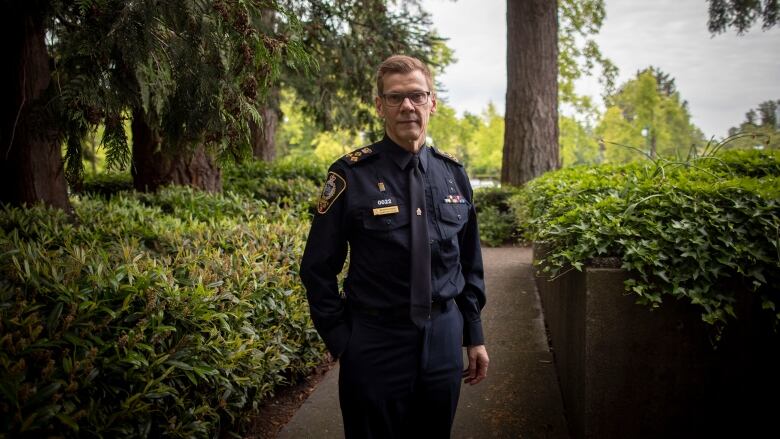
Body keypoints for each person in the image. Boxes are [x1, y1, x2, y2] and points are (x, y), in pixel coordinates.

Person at [300, 54, 489, 438]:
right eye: (395, 97)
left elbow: (469, 262)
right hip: (374, 343)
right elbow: (317, 266)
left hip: (443, 338)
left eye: (417, 96)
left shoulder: (454, 175)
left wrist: (474, 333)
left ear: (432, 102)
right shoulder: (350, 174)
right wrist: (342, 340)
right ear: (380, 106)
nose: (407, 106)